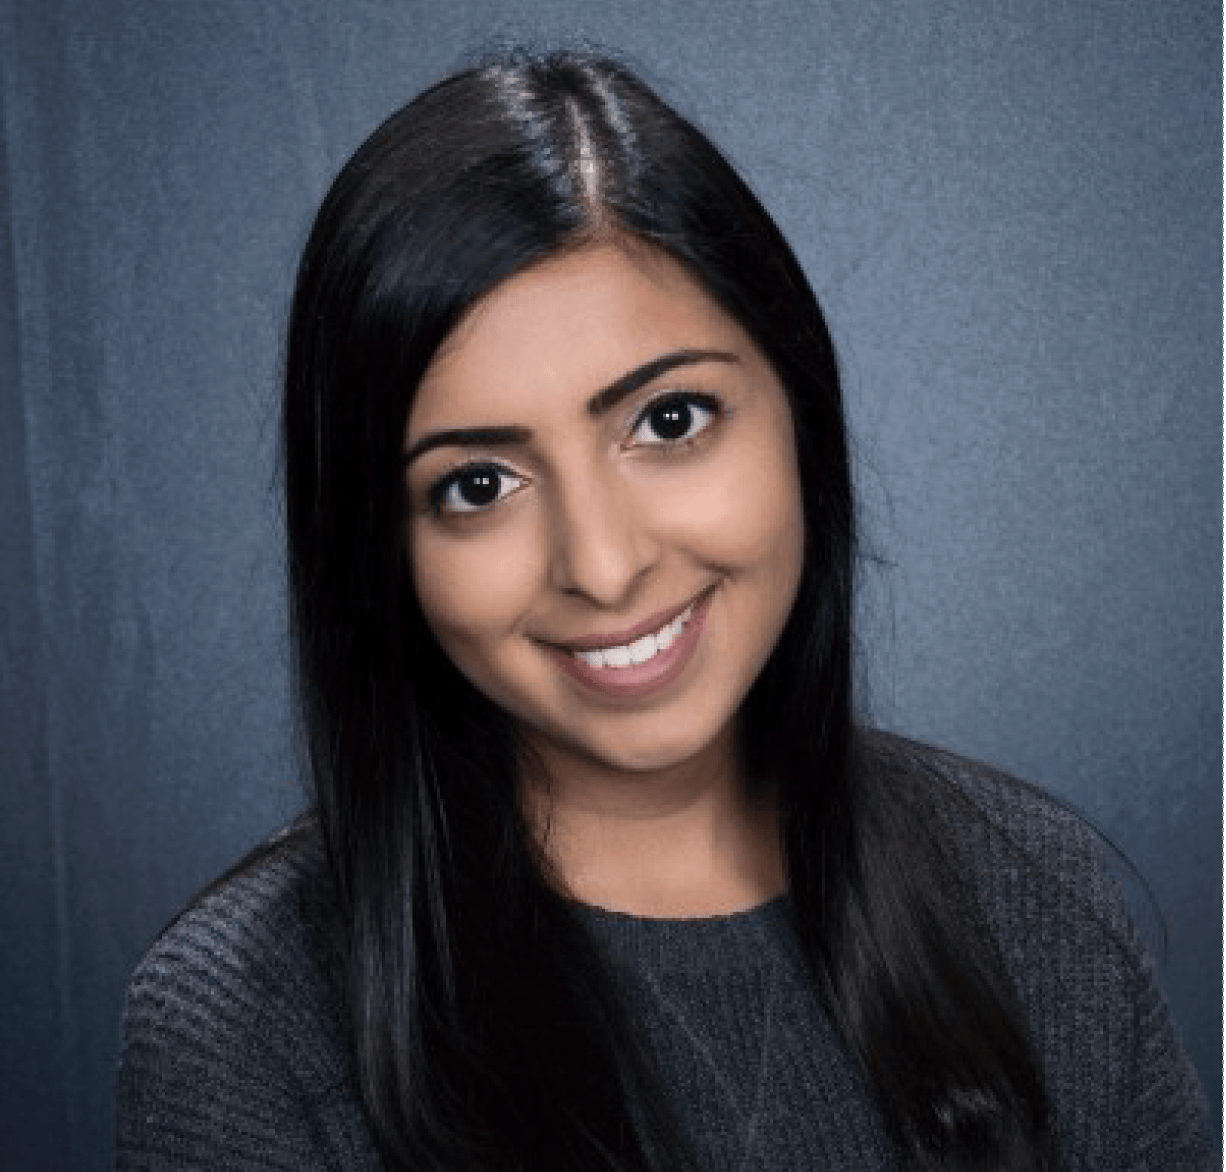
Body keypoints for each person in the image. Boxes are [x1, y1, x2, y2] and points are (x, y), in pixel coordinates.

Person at [114, 48, 1212, 1172]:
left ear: (798, 407)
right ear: (381, 549)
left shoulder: (1034, 897)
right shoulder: (249, 1023)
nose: (602, 565)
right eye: (479, 484)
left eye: (669, 420)